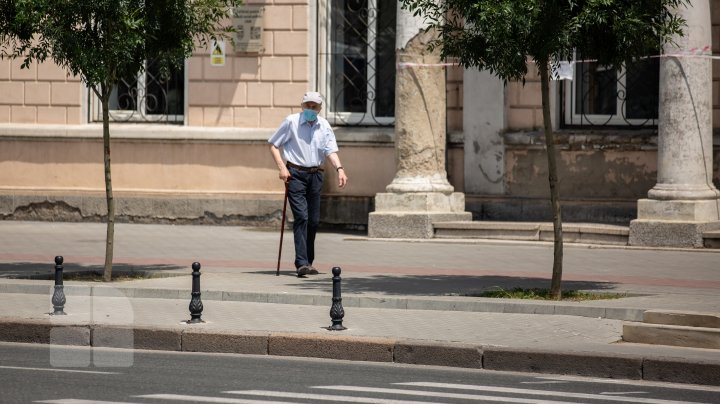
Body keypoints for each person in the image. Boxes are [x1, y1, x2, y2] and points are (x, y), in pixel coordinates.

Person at [269, 91, 348, 277]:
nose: (311, 110)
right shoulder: (291, 122)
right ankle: (301, 263)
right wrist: (282, 168)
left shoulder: (324, 125)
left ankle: (309, 262)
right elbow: (273, 144)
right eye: (308, 106)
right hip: (295, 174)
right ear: (302, 106)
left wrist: (340, 169)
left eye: (314, 107)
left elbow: (330, 151)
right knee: (302, 217)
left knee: (313, 221)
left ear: (320, 108)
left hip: (316, 175)